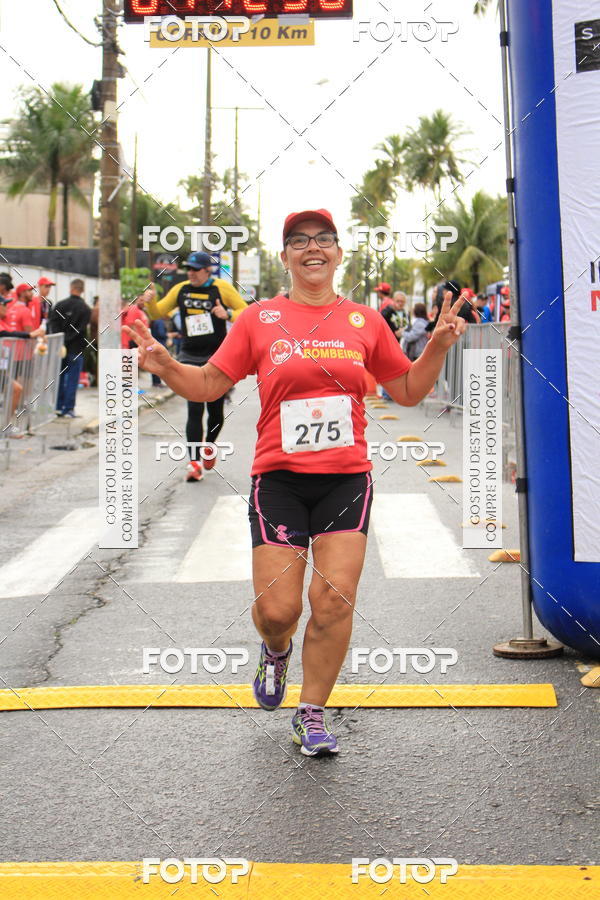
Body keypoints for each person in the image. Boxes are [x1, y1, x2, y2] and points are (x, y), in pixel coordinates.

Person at [125, 208, 468, 757]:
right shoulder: (259, 319)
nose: (314, 248)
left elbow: (404, 391)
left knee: (333, 600)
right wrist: (166, 366)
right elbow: (211, 382)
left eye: (325, 240)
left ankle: (311, 713)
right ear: (284, 256)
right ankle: (275, 649)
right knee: (278, 610)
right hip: (279, 481)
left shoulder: (365, 321)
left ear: (338, 253)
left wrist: (438, 347)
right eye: (300, 241)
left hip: (345, 480)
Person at [144, 250, 247, 482]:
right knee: (194, 409)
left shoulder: (221, 287)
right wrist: (150, 305)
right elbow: (159, 312)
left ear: (207, 270)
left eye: (195, 269)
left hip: (217, 356)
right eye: (188, 269)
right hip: (189, 354)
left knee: (215, 411)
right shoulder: (181, 289)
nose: (190, 273)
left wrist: (227, 313)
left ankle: (209, 446)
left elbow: (246, 312)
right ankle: (193, 463)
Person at [47, 278, 91, 418]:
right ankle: (69, 409)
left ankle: (58, 406)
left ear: (71, 288)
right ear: (82, 290)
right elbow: (81, 329)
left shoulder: (60, 305)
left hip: (59, 347)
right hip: (76, 348)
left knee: (59, 376)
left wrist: (61, 339)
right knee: (73, 379)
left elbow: (52, 324)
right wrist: (69, 339)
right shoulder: (85, 309)